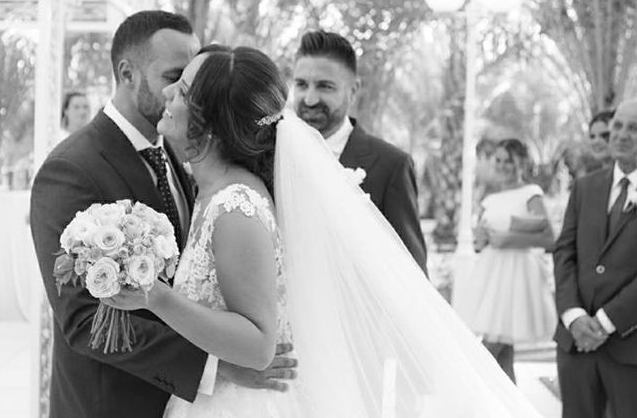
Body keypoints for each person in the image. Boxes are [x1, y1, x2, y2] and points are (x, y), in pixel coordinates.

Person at [106, 45, 542, 417]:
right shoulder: (210, 190)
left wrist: (156, 296)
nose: (167, 93)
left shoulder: (235, 205)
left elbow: (260, 344)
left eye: (181, 90)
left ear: (213, 121)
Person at [30, 11, 294, 418]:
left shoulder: (191, 160)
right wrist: (216, 369)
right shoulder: (71, 168)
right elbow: (84, 318)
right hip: (113, 405)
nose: (176, 94)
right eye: (175, 77)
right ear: (128, 73)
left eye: (186, 86)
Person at [292, 30, 427, 274]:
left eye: (325, 87)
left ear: (353, 90)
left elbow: (412, 274)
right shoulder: (269, 155)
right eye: (301, 85)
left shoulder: (391, 166)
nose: (310, 99)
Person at [554, 100, 637, 418]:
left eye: (634, 128)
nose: (622, 135)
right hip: (575, 344)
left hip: (628, 346)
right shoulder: (586, 187)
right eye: (618, 126)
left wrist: (603, 323)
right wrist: (574, 317)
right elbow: (564, 252)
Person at [452, 138, 557, 382]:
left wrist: (508, 238)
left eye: (508, 160)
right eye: (498, 160)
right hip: (491, 279)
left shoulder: (531, 194)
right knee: (502, 359)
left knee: (486, 353)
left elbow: (550, 238)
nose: (502, 166)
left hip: (515, 280)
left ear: (521, 162)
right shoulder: (491, 199)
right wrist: (481, 240)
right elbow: (484, 241)